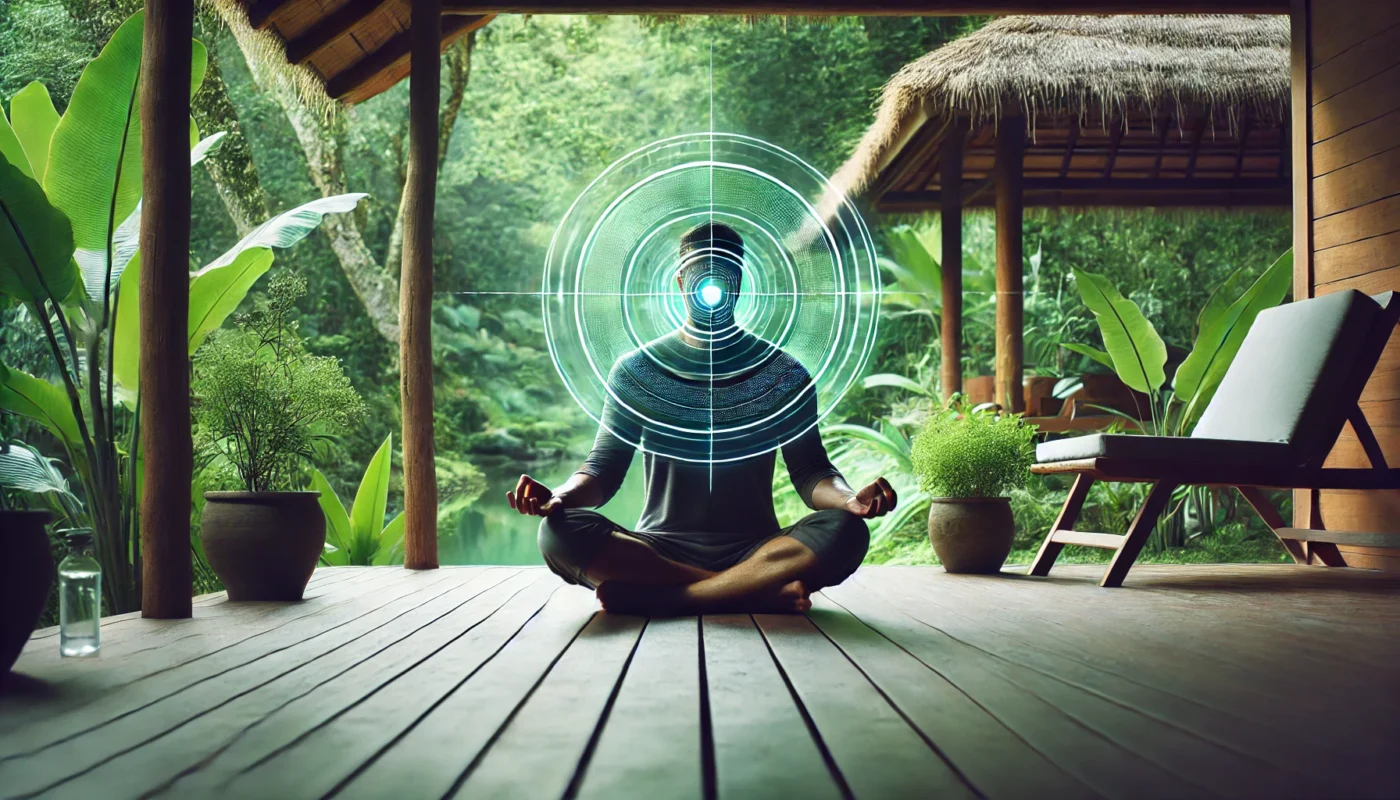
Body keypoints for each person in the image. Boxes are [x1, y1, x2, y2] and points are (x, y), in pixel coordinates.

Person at [509, 222, 895, 615]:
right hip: (659, 549)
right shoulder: (637, 371)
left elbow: (812, 473)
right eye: (699, 271)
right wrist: (561, 497)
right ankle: (754, 594)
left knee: (845, 531)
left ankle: (669, 599)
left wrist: (850, 501)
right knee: (559, 532)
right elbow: (603, 471)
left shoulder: (783, 373)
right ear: (679, 280)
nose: (712, 283)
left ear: (741, 281)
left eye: (724, 272)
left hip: (759, 550)